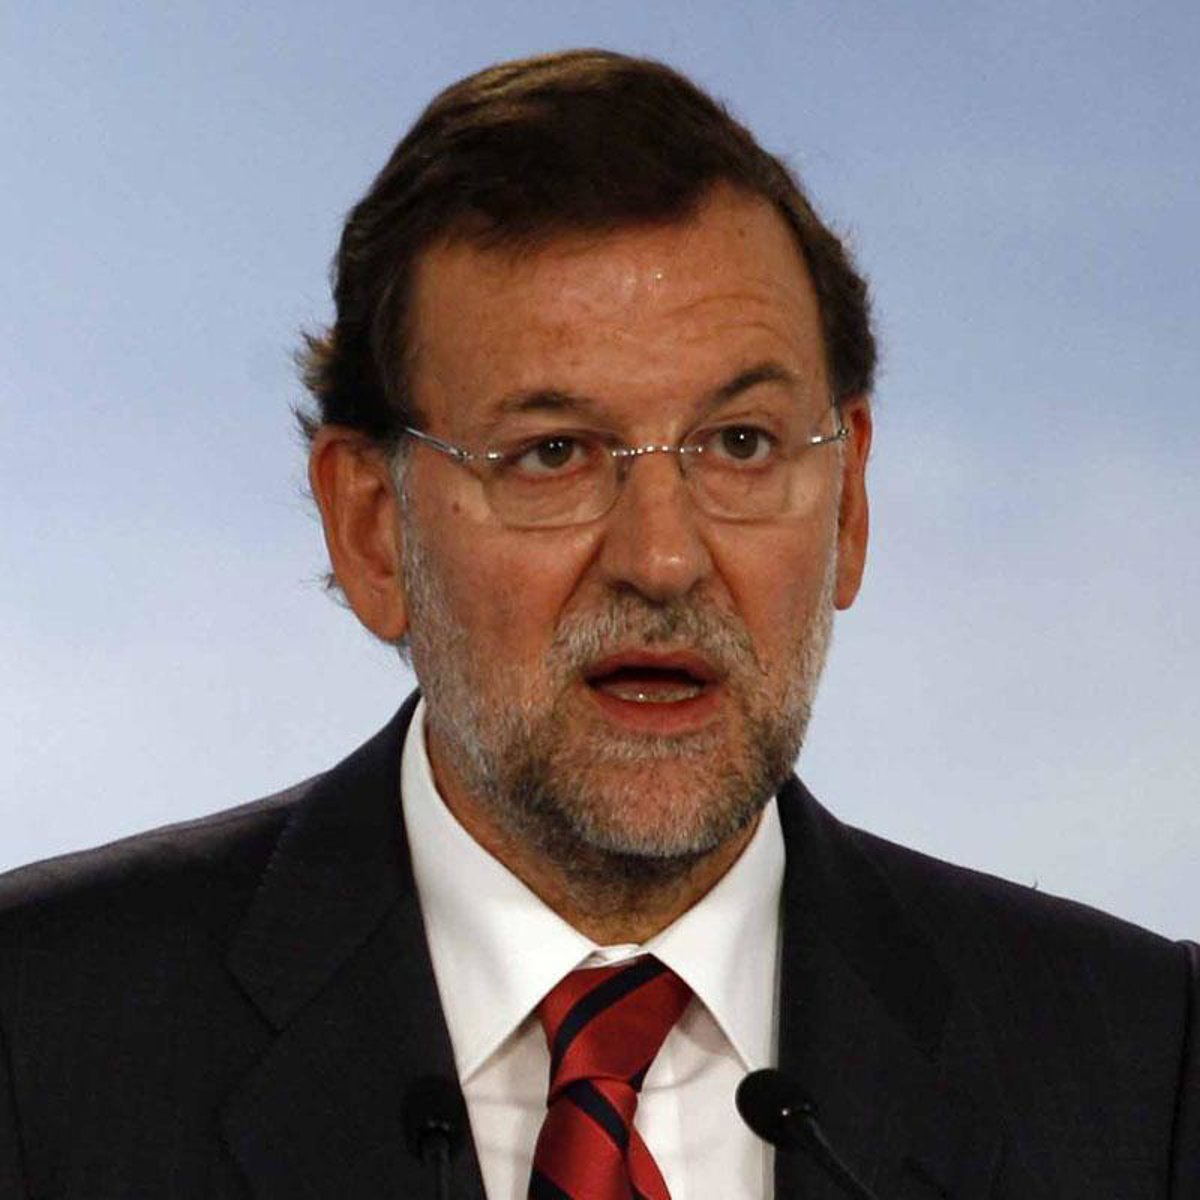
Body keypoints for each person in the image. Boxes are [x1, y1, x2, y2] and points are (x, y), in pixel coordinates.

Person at [0, 49, 1195, 1200]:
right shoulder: (39, 1035)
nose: (663, 560)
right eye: (552, 455)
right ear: (372, 529)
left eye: (740, 444)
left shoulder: (1141, 1068)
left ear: (849, 504)